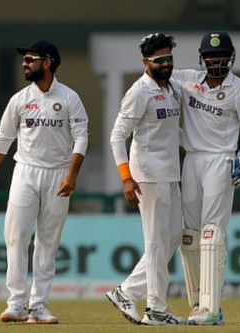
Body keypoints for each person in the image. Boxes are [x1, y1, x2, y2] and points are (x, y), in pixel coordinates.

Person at [0, 40, 88, 324]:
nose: (25, 64)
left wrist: (72, 175)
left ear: (47, 62)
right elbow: (4, 138)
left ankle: (39, 306)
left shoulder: (70, 98)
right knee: (16, 236)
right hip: (25, 171)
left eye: (30, 59)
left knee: (48, 242)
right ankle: (16, 304)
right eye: (24, 60)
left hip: (58, 174)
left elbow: (81, 138)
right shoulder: (20, 99)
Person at [171, 31, 240, 325]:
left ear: (231, 56)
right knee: (191, 236)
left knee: (212, 235)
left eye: (222, 55)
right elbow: (155, 75)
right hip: (192, 160)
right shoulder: (187, 80)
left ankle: (212, 308)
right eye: (211, 56)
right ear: (202, 58)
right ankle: (198, 303)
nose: (217, 60)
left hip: (221, 161)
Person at [106, 33, 185, 325]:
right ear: (145, 62)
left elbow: (173, 133)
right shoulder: (139, 92)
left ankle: (126, 291)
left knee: (173, 236)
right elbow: (117, 137)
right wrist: (126, 178)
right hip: (147, 176)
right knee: (155, 243)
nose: (166, 64)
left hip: (170, 174)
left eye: (169, 59)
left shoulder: (173, 89)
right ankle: (156, 308)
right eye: (159, 60)